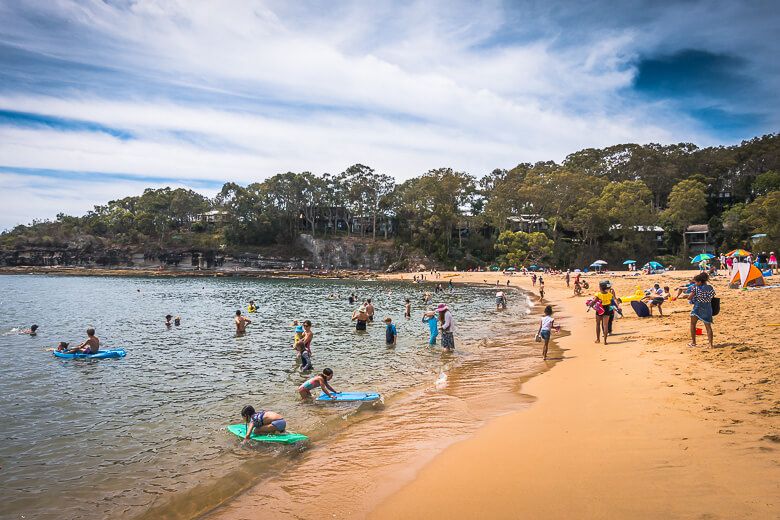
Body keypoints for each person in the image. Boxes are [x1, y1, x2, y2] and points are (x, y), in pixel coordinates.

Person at [686, 272, 715, 348]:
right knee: (708, 326)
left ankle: (693, 343)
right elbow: (712, 296)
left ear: (699, 282)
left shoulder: (695, 288)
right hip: (708, 307)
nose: (695, 283)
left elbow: (689, 298)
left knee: (693, 324)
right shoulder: (710, 287)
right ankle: (711, 344)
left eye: (696, 282)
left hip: (698, 307)